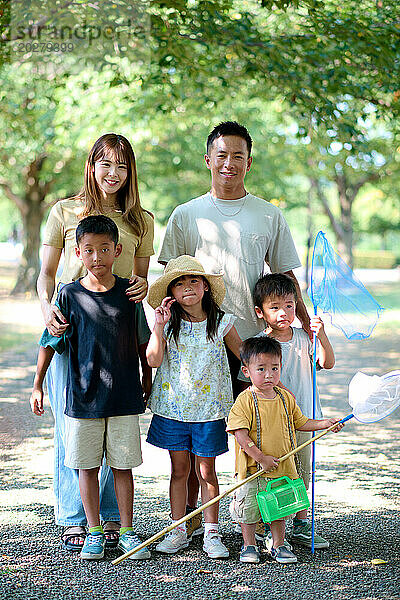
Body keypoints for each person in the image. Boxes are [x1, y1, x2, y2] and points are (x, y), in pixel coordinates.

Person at [158, 120, 310, 539]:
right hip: (199, 347)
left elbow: (285, 276)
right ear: (208, 160)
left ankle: (268, 521)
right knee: (195, 440)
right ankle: (190, 522)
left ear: (249, 162)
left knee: (266, 431)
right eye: (221, 155)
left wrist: (308, 324)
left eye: (238, 156)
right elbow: (171, 279)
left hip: (255, 347)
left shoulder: (268, 213)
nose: (229, 163)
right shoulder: (186, 215)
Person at [36, 133, 154, 551]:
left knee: (114, 435)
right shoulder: (63, 211)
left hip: (117, 338)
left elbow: (141, 281)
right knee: (74, 431)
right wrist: (45, 305)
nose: (113, 174)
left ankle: (108, 520)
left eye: (122, 166)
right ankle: (73, 517)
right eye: (106, 164)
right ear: (92, 166)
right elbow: (46, 274)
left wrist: (143, 286)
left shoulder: (140, 221)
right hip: (73, 332)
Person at [145, 255, 242, 558]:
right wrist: (159, 328)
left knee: (207, 471)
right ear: (171, 294)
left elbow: (243, 354)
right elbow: (153, 360)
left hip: (209, 411)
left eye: (193, 281)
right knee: (179, 470)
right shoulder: (168, 324)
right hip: (174, 409)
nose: (187, 287)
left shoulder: (222, 322)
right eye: (179, 283)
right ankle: (179, 529)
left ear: (205, 288)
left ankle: (212, 533)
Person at [238, 272, 335, 549]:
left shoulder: (305, 338)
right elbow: (251, 386)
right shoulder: (258, 345)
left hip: (305, 417)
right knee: (274, 473)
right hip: (270, 424)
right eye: (275, 307)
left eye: (290, 305)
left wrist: (322, 335)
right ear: (260, 311)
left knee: (302, 470)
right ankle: (271, 525)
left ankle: (302, 523)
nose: (284, 312)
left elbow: (326, 363)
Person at [227, 336, 343, 564]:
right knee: (249, 509)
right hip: (253, 469)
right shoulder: (245, 400)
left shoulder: (285, 397)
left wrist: (325, 424)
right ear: (246, 371)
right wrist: (260, 457)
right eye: (261, 369)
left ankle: (279, 545)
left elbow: (301, 422)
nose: (269, 374)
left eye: (274, 368)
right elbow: (240, 434)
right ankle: (249, 545)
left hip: (280, 467)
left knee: (279, 508)